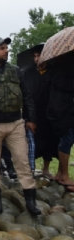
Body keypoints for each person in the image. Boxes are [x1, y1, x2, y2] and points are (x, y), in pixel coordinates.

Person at [0, 37, 41, 215]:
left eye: (6, 48)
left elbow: (26, 96)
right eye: (2, 48)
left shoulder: (16, 71)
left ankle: (31, 201)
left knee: (22, 161)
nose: (6, 51)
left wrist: (31, 119)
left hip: (15, 124)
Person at [23, 45, 58, 179]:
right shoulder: (27, 73)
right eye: (35, 56)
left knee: (49, 140)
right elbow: (26, 95)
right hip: (33, 113)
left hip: (49, 113)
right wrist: (27, 117)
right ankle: (30, 168)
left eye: (40, 56)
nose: (37, 59)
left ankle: (46, 168)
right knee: (31, 142)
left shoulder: (54, 73)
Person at [47, 53, 74, 191]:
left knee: (67, 139)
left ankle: (60, 173)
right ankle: (64, 175)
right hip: (64, 109)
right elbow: (64, 86)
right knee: (67, 139)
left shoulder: (60, 62)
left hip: (62, 108)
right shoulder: (65, 64)